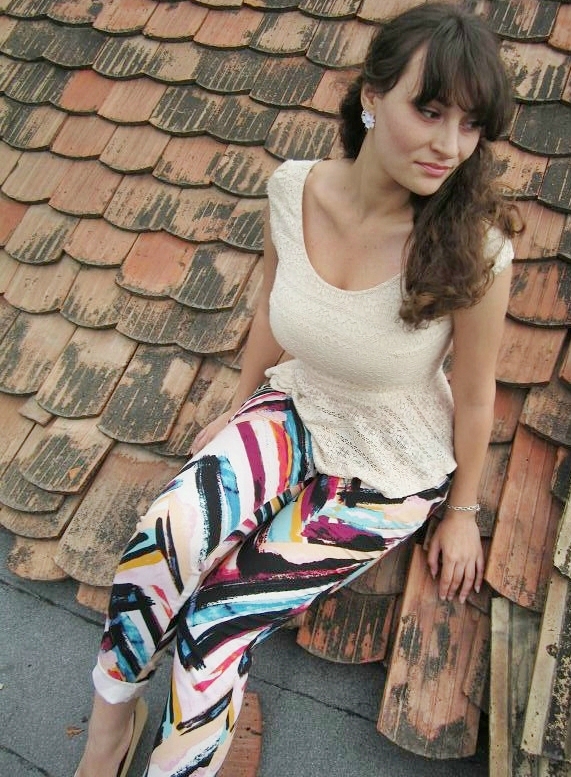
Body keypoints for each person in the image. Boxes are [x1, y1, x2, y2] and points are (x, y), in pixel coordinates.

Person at [74, 3, 521, 776]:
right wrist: (239, 405)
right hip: (297, 405)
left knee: (216, 623)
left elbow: (476, 394)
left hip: (388, 464)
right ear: (371, 96)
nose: (449, 145)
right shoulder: (293, 190)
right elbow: (268, 310)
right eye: (430, 110)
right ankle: (110, 724)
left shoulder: (475, 247)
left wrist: (461, 513)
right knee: (166, 533)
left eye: (470, 124)